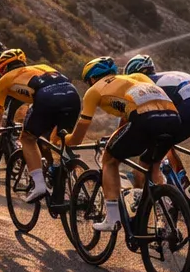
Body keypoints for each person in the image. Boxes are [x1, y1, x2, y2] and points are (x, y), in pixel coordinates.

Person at [66, 57, 181, 232]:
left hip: (145, 119)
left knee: (110, 160)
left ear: (91, 78)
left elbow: (78, 136)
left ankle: (112, 219)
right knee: (151, 165)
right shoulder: (136, 78)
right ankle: (164, 215)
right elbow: (130, 115)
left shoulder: (94, 90)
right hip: (174, 118)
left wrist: (65, 139)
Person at [0, 49, 80, 204]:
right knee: (57, 139)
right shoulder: (43, 67)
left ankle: (39, 185)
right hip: (72, 94)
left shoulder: (4, 80)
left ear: (3, 69)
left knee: (27, 138)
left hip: (46, 97)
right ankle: (66, 173)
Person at [122, 54, 190, 171]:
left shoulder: (145, 84)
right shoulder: (169, 75)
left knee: (150, 155)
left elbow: (135, 117)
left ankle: (170, 179)